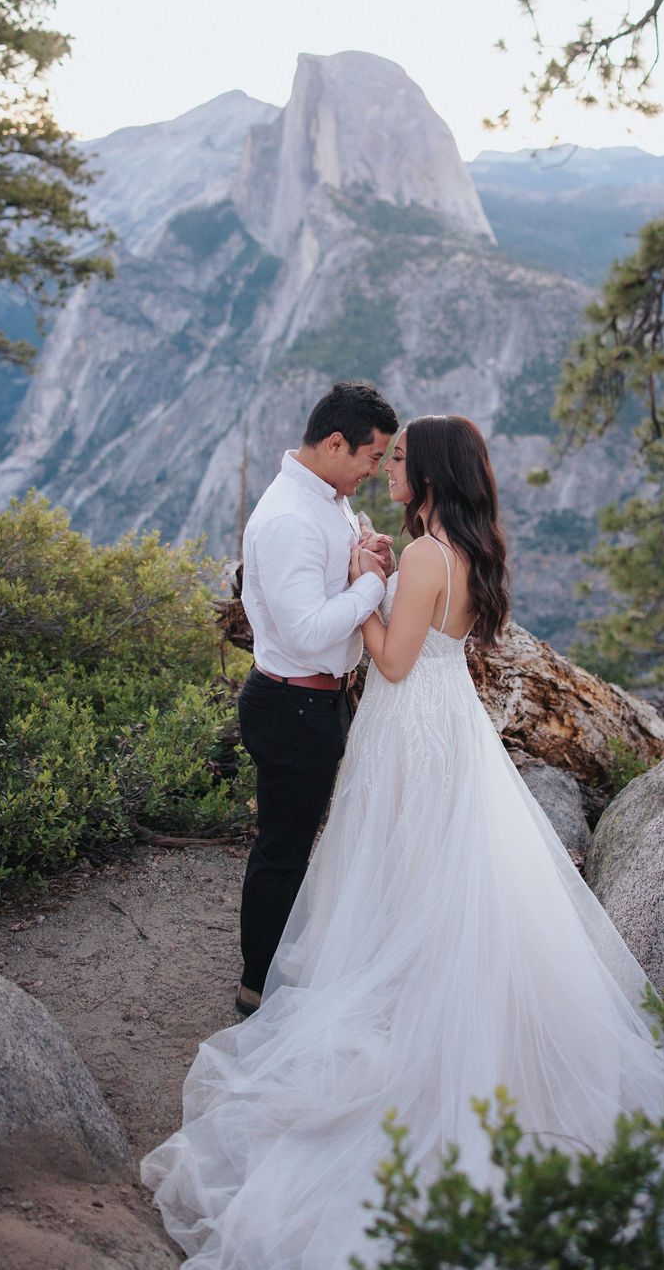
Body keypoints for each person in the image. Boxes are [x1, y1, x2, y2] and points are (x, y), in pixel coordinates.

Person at [142, 415, 664, 1270]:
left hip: (407, 722)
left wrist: (361, 582)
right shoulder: (460, 548)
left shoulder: (424, 556)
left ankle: (397, 1015)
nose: (389, 468)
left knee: (395, 868)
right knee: (437, 874)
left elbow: (387, 660)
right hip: (448, 723)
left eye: (401, 460)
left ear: (429, 472)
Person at [234, 381, 398, 1017]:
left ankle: (277, 965)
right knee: (283, 849)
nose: (373, 471)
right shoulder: (287, 519)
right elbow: (305, 632)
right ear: (336, 443)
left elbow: (334, 577)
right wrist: (370, 585)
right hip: (289, 705)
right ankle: (256, 986)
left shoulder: (328, 500)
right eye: (369, 457)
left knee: (296, 841)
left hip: (314, 702)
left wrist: (364, 555)